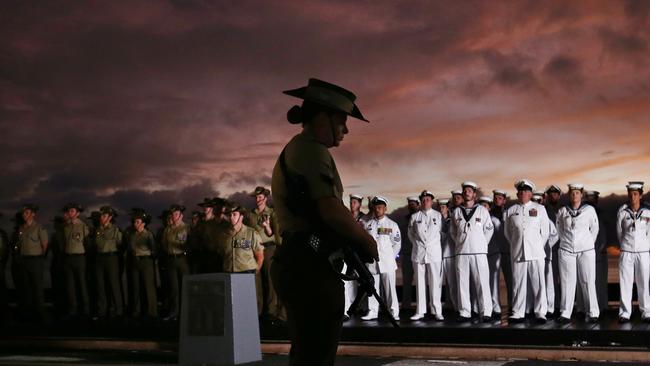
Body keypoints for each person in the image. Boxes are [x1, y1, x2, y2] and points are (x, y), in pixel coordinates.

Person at [271, 78, 378, 366]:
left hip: (303, 261)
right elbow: (331, 210)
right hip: (308, 266)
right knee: (316, 355)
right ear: (322, 118)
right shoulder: (311, 150)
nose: (345, 129)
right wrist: (367, 241)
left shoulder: (302, 149)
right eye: (341, 120)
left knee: (308, 353)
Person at [504, 179, 550, 324]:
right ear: (517, 194)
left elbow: (546, 232)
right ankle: (518, 312)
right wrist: (517, 244)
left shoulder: (540, 209)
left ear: (531, 194)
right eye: (521, 191)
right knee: (518, 283)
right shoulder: (510, 211)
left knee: (539, 283)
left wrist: (537, 245)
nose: (523, 193)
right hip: (518, 252)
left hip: (536, 252)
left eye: (526, 191)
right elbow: (508, 234)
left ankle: (540, 312)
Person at [555, 184, 600, 323]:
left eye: (577, 193)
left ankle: (593, 312)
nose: (574, 195)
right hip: (567, 250)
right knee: (567, 282)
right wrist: (567, 243)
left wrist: (587, 244)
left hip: (585, 250)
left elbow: (594, 229)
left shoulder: (589, 210)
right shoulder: (563, 211)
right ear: (569, 194)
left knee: (587, 281)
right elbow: (560, 230)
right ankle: (565, 313)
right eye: (572, 193)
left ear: (581, 195)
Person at [451, 181, 494, 322]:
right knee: (462, 283)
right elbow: (453, 232)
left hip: (479, 252)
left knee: (482, 282)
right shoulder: (456, 211)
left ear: (474, 194)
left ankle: (486, 311)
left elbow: (489, 229)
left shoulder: (482, 210)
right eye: (465, 190)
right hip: (462, 252)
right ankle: (465, 312)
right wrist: (459, 243)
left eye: (469, 190)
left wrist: (482, 244)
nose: (466, 192)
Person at [246, 186, 284, 321]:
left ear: (265, 198)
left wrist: (267, 226)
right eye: (256, 197)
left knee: (270, 279)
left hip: (268, 248)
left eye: (260, 197)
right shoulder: (250, 215)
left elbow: (273, 233)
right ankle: (258, 310)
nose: (258, 200)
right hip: (255, 250)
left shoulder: (272, 213)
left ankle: (272, 310)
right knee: (257, 281)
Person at [361, 196, 401, 321]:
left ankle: (393, 312)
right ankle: (372, 311)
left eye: (380, 207)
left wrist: (389, 257)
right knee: (373, 288)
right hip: (372, 262)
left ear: (385, 208)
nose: (377, 210)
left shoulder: (392, 225)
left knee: (390, 289)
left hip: (387, 262)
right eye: (375, 207)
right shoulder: (368, 224)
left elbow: (397, 244)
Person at [616, 182, 650, 323]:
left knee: (644, 282)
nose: (632, 197)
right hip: (627, 251)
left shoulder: (648, 212)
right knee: (625, 282)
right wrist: (625, 245)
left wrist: (645, 246)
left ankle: (646, 311)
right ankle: (625, 312)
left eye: (635, 194)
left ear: (640, 195)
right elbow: (619, 232)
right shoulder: (622, 211)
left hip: (643, 252)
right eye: (630, 194)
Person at [409, 191, 444, 321]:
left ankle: (437, 311)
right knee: (419, 283)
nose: (425, 201)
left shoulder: (438, 216)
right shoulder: (415, 217)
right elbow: (410, 235)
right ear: (420, 201)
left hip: (434, 253)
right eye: (423, 200)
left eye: (428, 199)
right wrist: (419, 245)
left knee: (435, 282)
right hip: (419, 253)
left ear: (432, 201)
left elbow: (441, 233)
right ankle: (420, 311)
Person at [13, 204, 48, 322]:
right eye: (23, 213)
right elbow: (19, 245)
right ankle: (28, 313)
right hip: (24, 261)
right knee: (26, 288)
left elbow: (45, 245)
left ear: (33, 214)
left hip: (36, 261)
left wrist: (39, 258)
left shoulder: (39, 227)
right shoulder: (21, 228)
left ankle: (40, 314)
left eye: (27, 213)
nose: (24, 215)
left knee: (37, 287)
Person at [92, 206, 124, 319]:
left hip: (111, 258)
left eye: (104, 215)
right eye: (101, 215)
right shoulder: (98, 230)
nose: (102, 217)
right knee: (100, 285)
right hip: (99, 259)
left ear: (110, 217)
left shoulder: (116, 230)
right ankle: (102, 310)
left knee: (114, 284)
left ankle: (118, 310)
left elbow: (121, 245)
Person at [125, 210, 157, 319]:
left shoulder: (148, 235)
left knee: (148, 288)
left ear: (143, 223)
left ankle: (151, 312)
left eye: (138, 222)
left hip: (146, 261)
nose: (135, 224)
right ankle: (137, 310)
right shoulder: (132, 235)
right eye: (135, 222)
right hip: (135, 261)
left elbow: (153, 249)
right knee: (136, 287)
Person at [161, 204, 190, 321]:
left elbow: (191, 244)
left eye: (176, 214)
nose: (174, 216)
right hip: (171, 259)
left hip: (183, 259)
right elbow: (163, 244)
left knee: (185, 287)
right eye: (172, 214)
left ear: (181, 216)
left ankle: (186, 313)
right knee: (174, 288)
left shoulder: (186, 228)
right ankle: (174, 313)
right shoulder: (168, 229)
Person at [61, 203, 91, 318]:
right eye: (69, 211)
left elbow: (87, 242)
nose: (70, 213)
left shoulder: (83, 226)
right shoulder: (65, 226)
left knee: (82, 283)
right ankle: (73, 308)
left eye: (72, 211)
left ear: (78, 213)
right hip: (68, 257)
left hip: (80, 257)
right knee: (70, 285)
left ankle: (86, 308)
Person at [585, 190, 608, 312]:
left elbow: (604, 233)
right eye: (589, 198)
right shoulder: (581, 212)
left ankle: (602, 306)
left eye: (593, 198)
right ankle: (587, 308)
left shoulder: (601, 214)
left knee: (600, 282)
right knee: (586, 281)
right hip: (586, 252)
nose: (591, 200)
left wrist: (603, 248)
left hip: (599, 253)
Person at [479, 196, 502, 319]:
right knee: (481, 282)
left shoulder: (494, 220)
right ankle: (481, 307)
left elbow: (502, 238)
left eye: (485, 206)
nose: (483, 208)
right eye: (481, 205)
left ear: (489, 207)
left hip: (493, 254)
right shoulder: (475, 220)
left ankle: (496, 307)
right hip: (480, 255)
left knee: (493, 282)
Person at [492, 189, 513, 314]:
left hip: (507, 251)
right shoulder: (488, 215)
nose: (497, 200)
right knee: (493, 281)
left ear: (504, 200)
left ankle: (512, 305)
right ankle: (495, 307)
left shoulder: (509, 214)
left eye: (500, 198)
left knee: (510, 281)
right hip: (493, 252)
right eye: (495, 198)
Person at [439, 197, 458, 313]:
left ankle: (456, 307)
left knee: (452, 283)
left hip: (450, 254)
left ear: (447, 208)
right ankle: (442, 307)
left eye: (443, 207)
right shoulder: (436, 219)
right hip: (438, 255)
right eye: (440, 207)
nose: (441, 209)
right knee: (438, 283)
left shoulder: (452, 220)